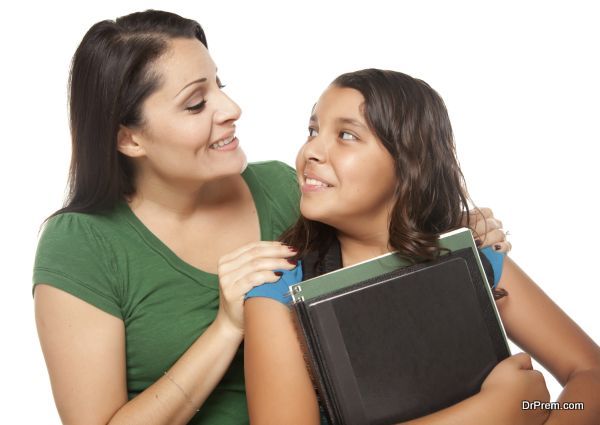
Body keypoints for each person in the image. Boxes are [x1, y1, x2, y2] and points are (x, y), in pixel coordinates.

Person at [33, 11, 508, 425]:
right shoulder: (81, 244)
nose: (231, 109)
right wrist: (226, 328)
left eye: (220, 85)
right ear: (129, 139)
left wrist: (448, 229)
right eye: (197, 103)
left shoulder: (284, 189)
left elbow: (381, 269)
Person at [243, 69, 600, 425]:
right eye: (313, 130)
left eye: (346, 135)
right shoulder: (278, 290)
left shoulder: (473, 256)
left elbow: (590, 372)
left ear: (408, 162)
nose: (311, 151)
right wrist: (493, 412)